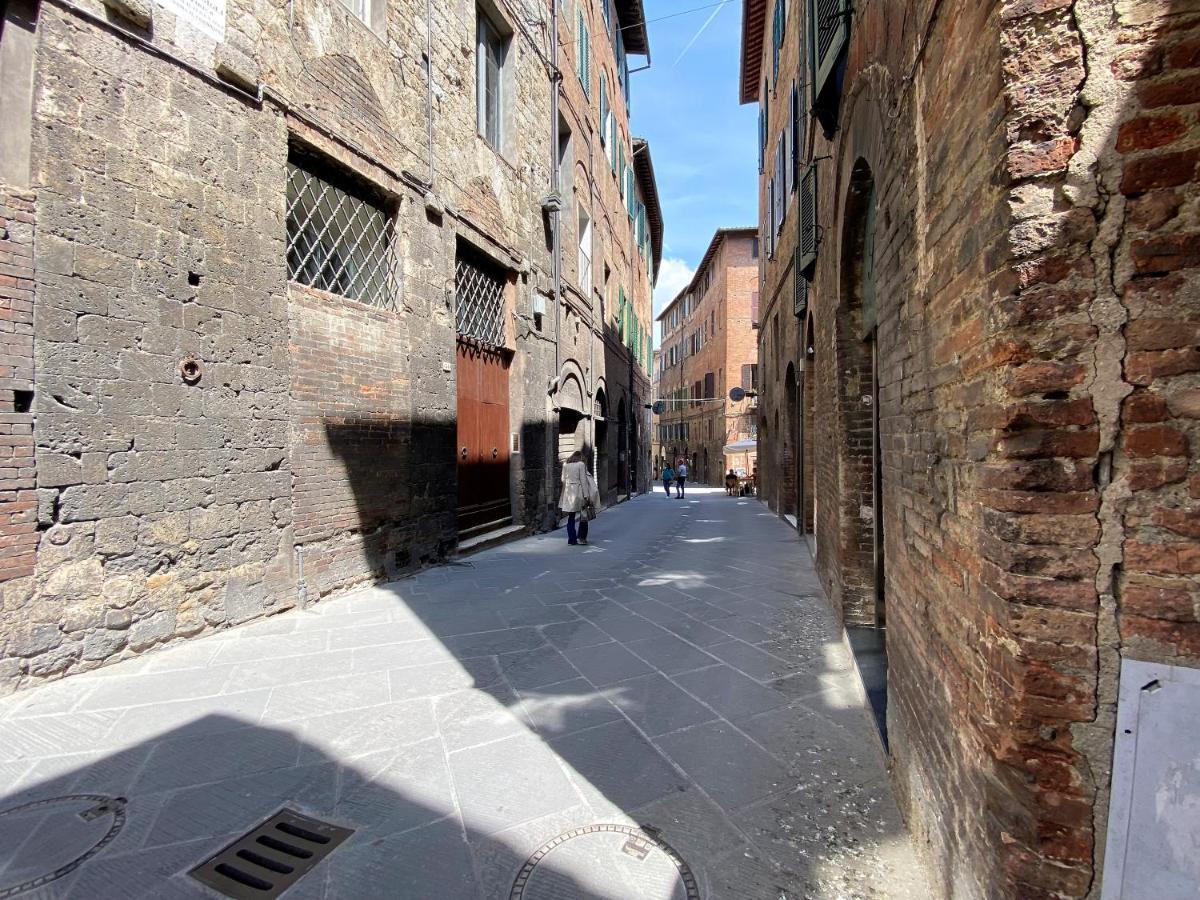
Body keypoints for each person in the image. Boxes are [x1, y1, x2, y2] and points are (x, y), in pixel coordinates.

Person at [559, 451, 599, 545]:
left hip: (569, 493)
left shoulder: (565, 464)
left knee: (571, 517)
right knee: (583, 516)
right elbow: (583, 481)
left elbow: (562, 479)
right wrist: (586, 496)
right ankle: (581, 538)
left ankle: (571, 540)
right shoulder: (581, 464)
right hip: (579, 493)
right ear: (581, 458)